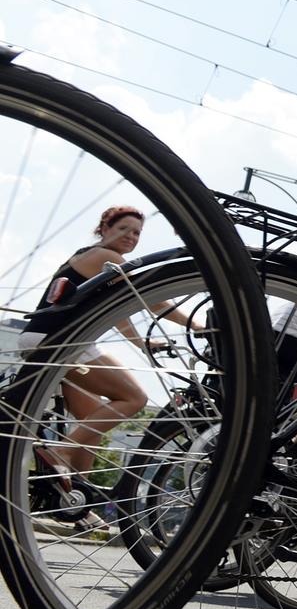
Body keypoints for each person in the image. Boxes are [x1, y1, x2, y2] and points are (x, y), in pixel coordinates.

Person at [22, 206, 195, 480]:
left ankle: (77, 495)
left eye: (137, 233)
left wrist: (142, 344)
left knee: (93, 420)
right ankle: (59, 451)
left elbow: (119, 315)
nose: (131, 236)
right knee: (134, 398)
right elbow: (149, 296)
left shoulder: (91, 260)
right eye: (123, 229)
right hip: (60, 341)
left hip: (44, 338)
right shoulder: (105, 257)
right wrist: (197, 325)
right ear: (104, 229)